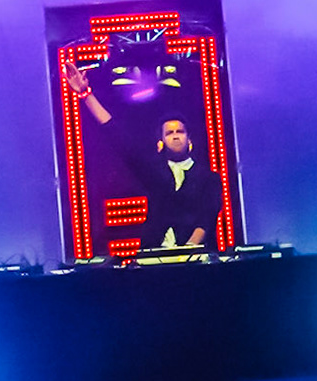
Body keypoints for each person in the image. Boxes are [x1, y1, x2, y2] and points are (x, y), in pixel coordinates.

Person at [63, 61, 223, 250]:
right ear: (161, 143)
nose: (175, 136)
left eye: (180, 132)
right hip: (154, 253)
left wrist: (187, 251)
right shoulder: (153, 171)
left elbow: (207, 217)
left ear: (189, 139)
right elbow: (118, 138)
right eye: (169, 133)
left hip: (195, 255)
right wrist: (85, 94)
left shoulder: (208, 178)